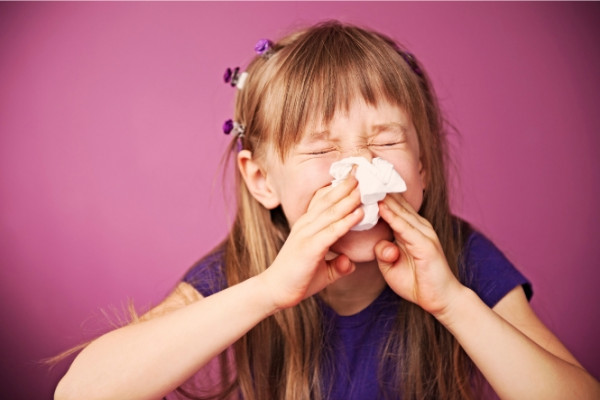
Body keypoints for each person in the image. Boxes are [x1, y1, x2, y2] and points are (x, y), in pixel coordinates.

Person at [54, 21, 600, 400]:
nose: (359, 169)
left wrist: (455, 304)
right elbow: (81, 391)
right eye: (322, 151)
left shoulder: (459, 257)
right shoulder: (243, 269)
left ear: (424, 169)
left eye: (384, 143)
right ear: (262, 179)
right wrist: (269, 290)